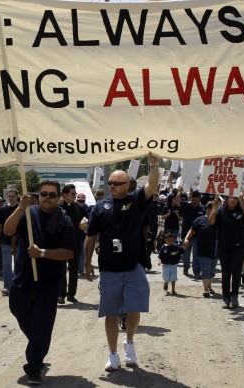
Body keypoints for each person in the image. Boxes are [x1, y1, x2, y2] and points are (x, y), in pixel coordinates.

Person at [84, 154, 160, 372]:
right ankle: (113, 354)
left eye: (117, 183)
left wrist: (154, 164)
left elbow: (152, 184)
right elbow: (90, 237)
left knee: (134, 309)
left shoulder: (136, 201)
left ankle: (130, 342)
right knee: (110, 312)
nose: (112, 186)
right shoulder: (100, 207)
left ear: (128, 185)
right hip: (109, 268)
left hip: (133, 266)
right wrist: (87, 263)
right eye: (110, 183)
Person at [4, 180, 76, 385]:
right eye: (44, 194)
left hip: (48, 283)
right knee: (20, 313)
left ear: (59, 197)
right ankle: (37, 342)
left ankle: (34, 366)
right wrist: (20, 207)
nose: (47, 198)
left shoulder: (63, 218)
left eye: (52, 195)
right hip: (22, 280)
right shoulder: (28, 212)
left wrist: (42, 253)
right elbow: (9, 231)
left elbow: (69, 252)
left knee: (42, 325)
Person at [209, 193, 244, 309]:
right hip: (223, 247)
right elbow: (211, 222)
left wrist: (243, 203)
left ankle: (234, 295)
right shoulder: (220, 210)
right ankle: (226, 298)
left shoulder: (241, 210)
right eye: (230, 197)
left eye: (235, 198)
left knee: (236, 271)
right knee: (226, 273)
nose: (232, 200)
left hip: (238, 247)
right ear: (226, 199)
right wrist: (214, 206)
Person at [57, 184, 88, 304]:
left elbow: (86, 220)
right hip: (61, 243)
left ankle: (71, 294)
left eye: (75, 193)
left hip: (76, 243)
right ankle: (61, 294)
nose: (75, 196)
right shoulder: (58, 208)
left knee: (74, 269)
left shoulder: (79, 208)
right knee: (61, 268)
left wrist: (84, 225)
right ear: (65, 194)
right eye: (73, 193)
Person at [184, 200, 219, 298]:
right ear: (206, 209)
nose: (210, 210)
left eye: (213, 208)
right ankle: (205, 289)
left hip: (215, 249)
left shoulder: (218, 220)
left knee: (212, 271)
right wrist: (186, 239)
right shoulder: (199, 220)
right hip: (202, 249)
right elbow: (192, 231)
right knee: (205, 269)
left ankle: (209, 286)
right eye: (209, 207)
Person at [0, 188, 19, 296]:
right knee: (6, 265)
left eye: (13, 196)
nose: (11, 198)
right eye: (9, 196)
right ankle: (8, 286)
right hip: (5, 241)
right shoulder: (3, 209)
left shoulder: (21, 208)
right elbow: (0, 225)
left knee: (18, 264)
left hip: (19, 242)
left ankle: (18, 286)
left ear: (17, 196)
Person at [179, 190, 205, 277]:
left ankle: (197, 271)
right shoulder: (186, 205)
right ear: (191, 198)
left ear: (200, 199)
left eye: (197, 200)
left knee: (196, 254)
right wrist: (179, 192)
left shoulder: (203, 208)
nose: (195, 202)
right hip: (186, 235)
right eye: (194, 200)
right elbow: (176, 202)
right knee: (186, 253)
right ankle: (185, 268)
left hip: (198, 235)